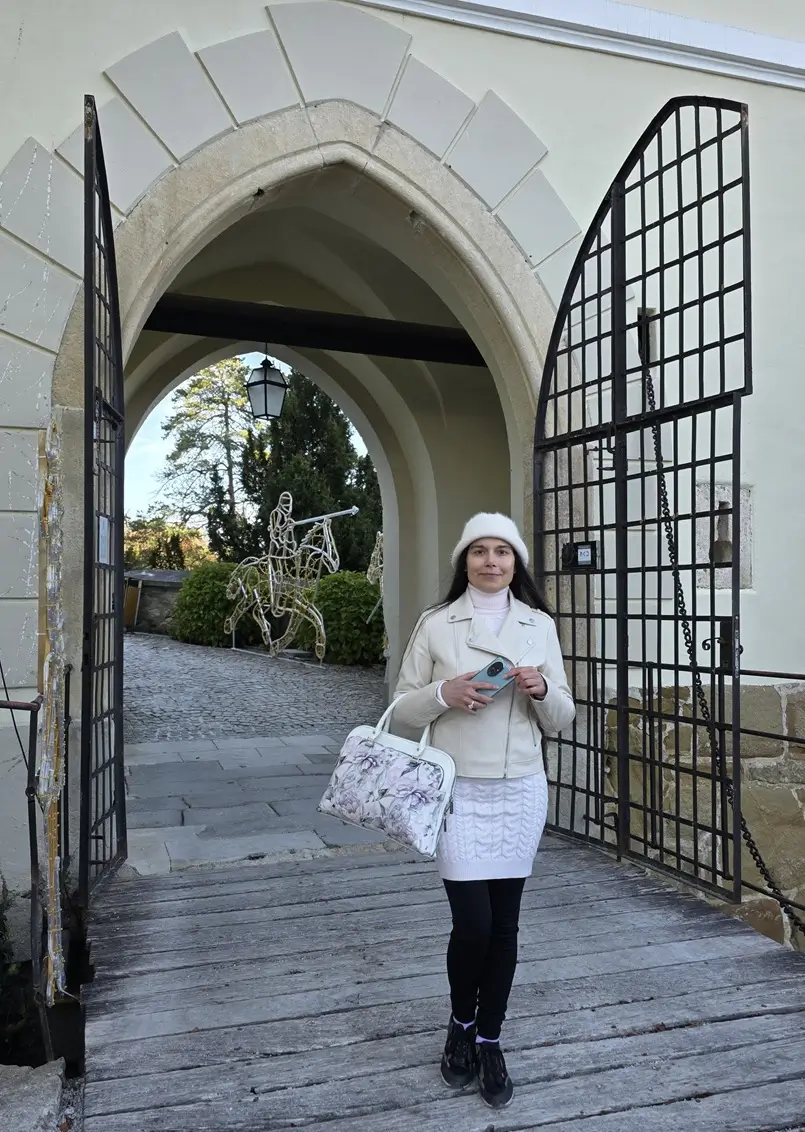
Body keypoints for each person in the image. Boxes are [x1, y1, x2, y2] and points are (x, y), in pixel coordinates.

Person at [392, 513, 575, 1109]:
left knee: (504, 928)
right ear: (463, 561)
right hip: (457, 789)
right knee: (472, 923)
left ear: (516, 563)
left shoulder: (538, 625)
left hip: (519, 786)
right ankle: (459, 1024)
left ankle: (488, 1039)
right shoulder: (436, 625)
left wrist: (543, 691)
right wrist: (445, 693)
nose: (491, 562)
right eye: (479, 552)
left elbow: (564, 714)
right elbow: (400, 709)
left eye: (502, 552)